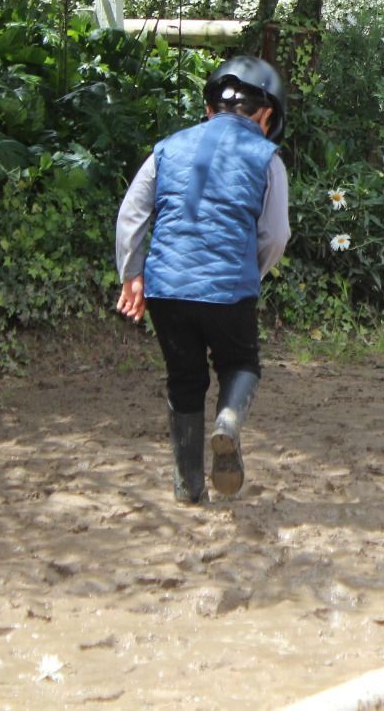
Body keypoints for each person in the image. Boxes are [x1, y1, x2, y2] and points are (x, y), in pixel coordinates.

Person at [116, 56, 291, 505]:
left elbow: (132, 214)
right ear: (267, 114)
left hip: (167, 289)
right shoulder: (267, 158)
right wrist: (250, 270)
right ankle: (228, 423)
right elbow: (275, 234)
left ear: (209, 108)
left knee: (184, 381)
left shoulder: (167, 147)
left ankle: (188, 487)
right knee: (241, 364)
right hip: (228, 289)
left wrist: (131, 275)